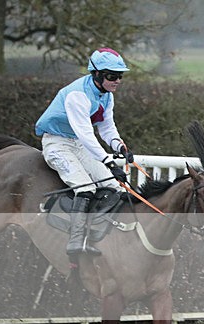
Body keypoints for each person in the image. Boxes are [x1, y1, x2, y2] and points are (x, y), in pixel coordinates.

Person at [35, 48, 133, 257]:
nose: (117, 81)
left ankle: (100, 235)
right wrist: (108, 161)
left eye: (120, 76)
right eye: (112, 76)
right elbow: (86, 133)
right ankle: (76, 240)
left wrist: (118, 146)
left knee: (113, 187)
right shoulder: (77, 95)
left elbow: (106, 128)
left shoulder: (106, 95)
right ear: (96, 74)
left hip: (79, 145)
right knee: (85, 187)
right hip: (57, 144)